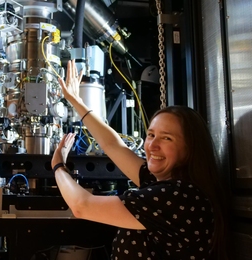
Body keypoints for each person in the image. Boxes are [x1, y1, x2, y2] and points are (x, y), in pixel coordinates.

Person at [51, 60, 230, 259]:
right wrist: (76, 101)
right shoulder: (164, 185)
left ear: (190, 148)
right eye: (151, 135)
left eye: (166, 138)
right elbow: (113, 145)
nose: (152, 145)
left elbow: (81, 206)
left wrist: (58, 166)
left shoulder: (177, 197)